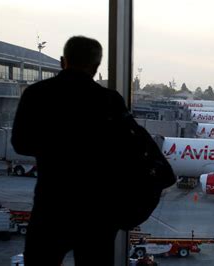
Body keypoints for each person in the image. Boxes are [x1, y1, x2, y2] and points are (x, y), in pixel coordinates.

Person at [12, 36, 133, 265]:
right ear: (96, 67)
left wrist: (55, 147)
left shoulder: (36, 93)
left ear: (62, 61)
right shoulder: (109, 100)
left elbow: (21, 143)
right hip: (96, 210)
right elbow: (124, 152)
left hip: (52, 204)